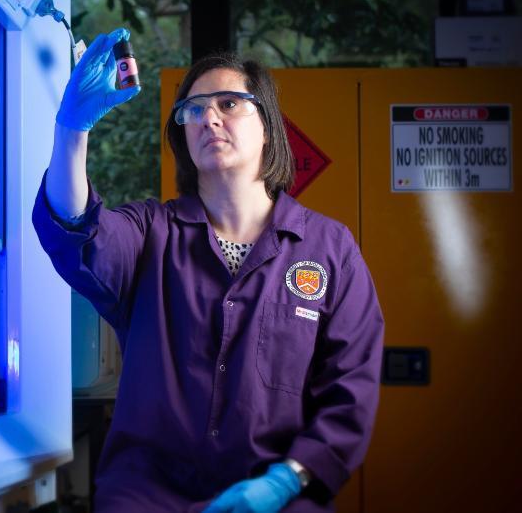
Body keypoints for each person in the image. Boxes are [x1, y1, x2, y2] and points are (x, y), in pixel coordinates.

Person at [32, 28, 384, 512]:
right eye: (193, 110)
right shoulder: (150, 232)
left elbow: (351, 389)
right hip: (146, 498)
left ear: (268, 125)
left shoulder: (330, 249)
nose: (208, 118)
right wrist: (71, 130)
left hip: (277, 498)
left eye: (229, 103)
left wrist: (287, 479)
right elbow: (77, 233)